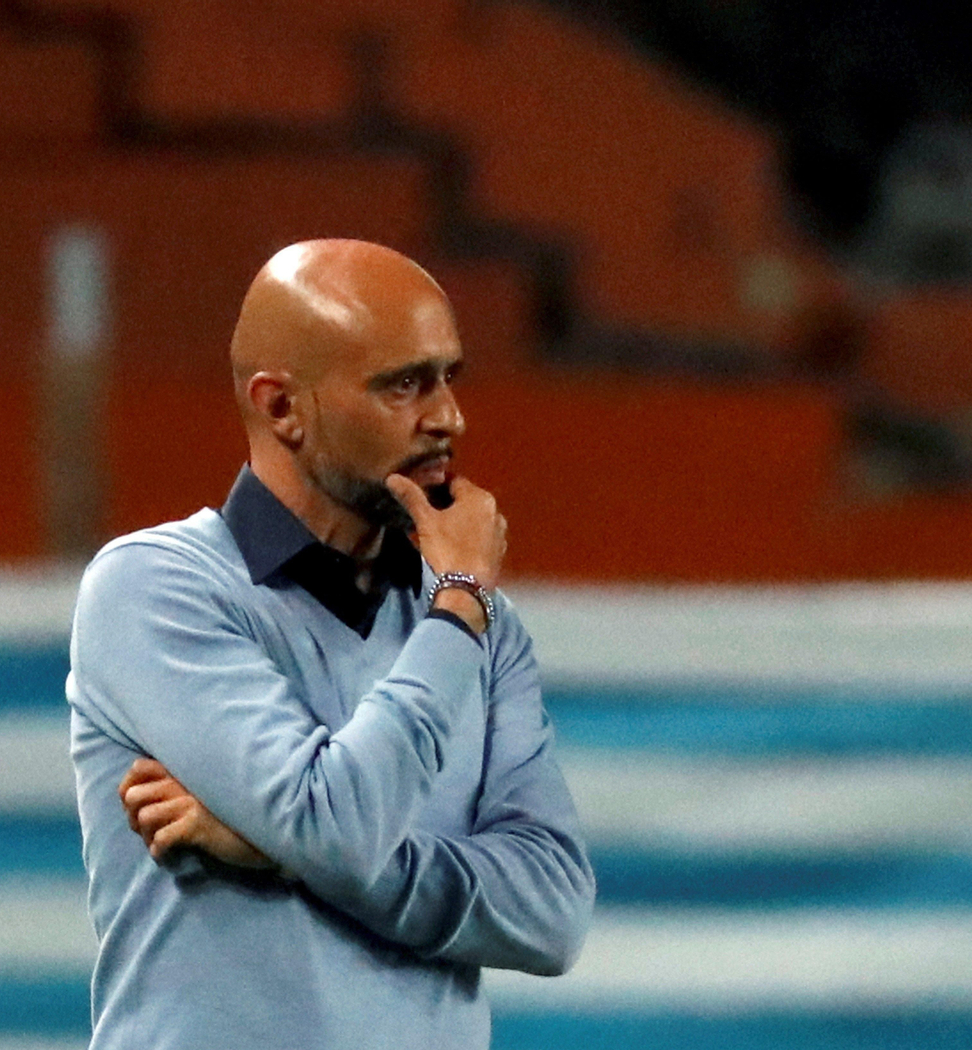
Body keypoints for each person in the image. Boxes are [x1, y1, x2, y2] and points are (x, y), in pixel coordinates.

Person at [65, 239, 595, 1050]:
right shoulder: (156, 589)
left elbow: (552, 912)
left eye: (449, 376)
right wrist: (456, 611)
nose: (448, 416)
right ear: (282, 409)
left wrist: (283, 855)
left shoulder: (485, 625)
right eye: (404, 384)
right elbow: (335, 831)